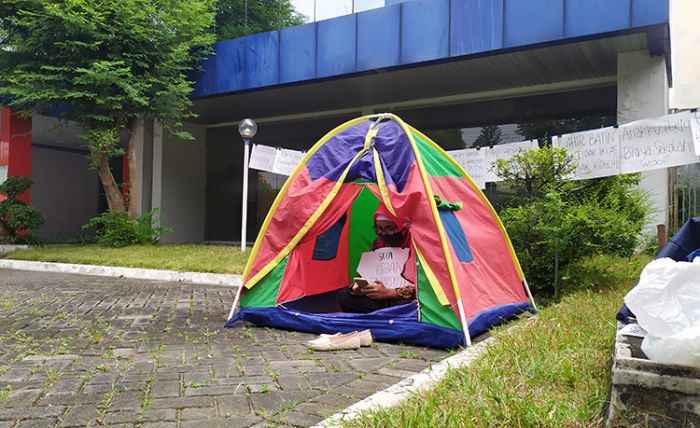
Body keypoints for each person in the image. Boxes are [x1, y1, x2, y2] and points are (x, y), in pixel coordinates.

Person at [338, 205, 416, 313]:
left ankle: (383, 316)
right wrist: (359, 288)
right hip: (378, 298)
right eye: (379, 228)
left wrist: (390, 293)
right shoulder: (378, 242)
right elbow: (367, 273)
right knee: (345, 296)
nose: (384, 233)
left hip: (402, 297)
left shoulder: (415, 243)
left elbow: (424, 289)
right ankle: (387, 316)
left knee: (410, 305)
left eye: (391, 228)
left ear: (403, 225)